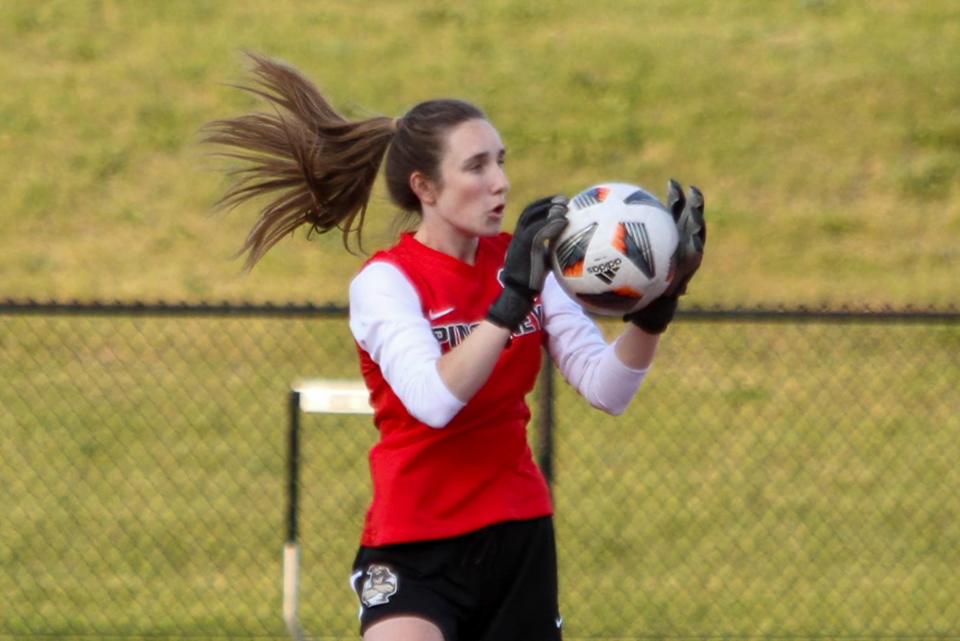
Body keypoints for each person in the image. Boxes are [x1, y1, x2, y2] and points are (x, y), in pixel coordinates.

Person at [204, 53, 705, 641]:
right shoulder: (387, 281)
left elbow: (608, 388)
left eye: (500, 161)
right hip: (414, 544)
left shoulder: (530, 269)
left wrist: (658, 306)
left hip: (518, 534)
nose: (500, 182)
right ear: (426, 188)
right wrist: (511, 300)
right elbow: (434, 400)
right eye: (476, 166)